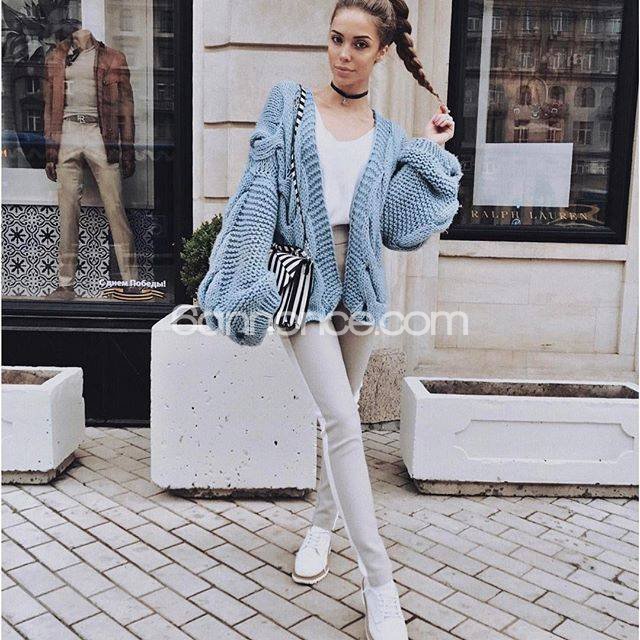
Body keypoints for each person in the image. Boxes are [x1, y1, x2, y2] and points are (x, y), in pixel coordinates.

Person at [198, 1, 461, 638]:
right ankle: (379, 582)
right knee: (342, 418)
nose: (344, 54)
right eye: (337, 39)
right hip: (302, 283)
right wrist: (247, 277)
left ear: (382, 52)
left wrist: (429, 150)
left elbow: (398, 227)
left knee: (342, 416)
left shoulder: (388, 135)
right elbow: (258, 191)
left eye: (360, 44)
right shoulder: (289, 106)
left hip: (362, 284)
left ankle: (321, 526)